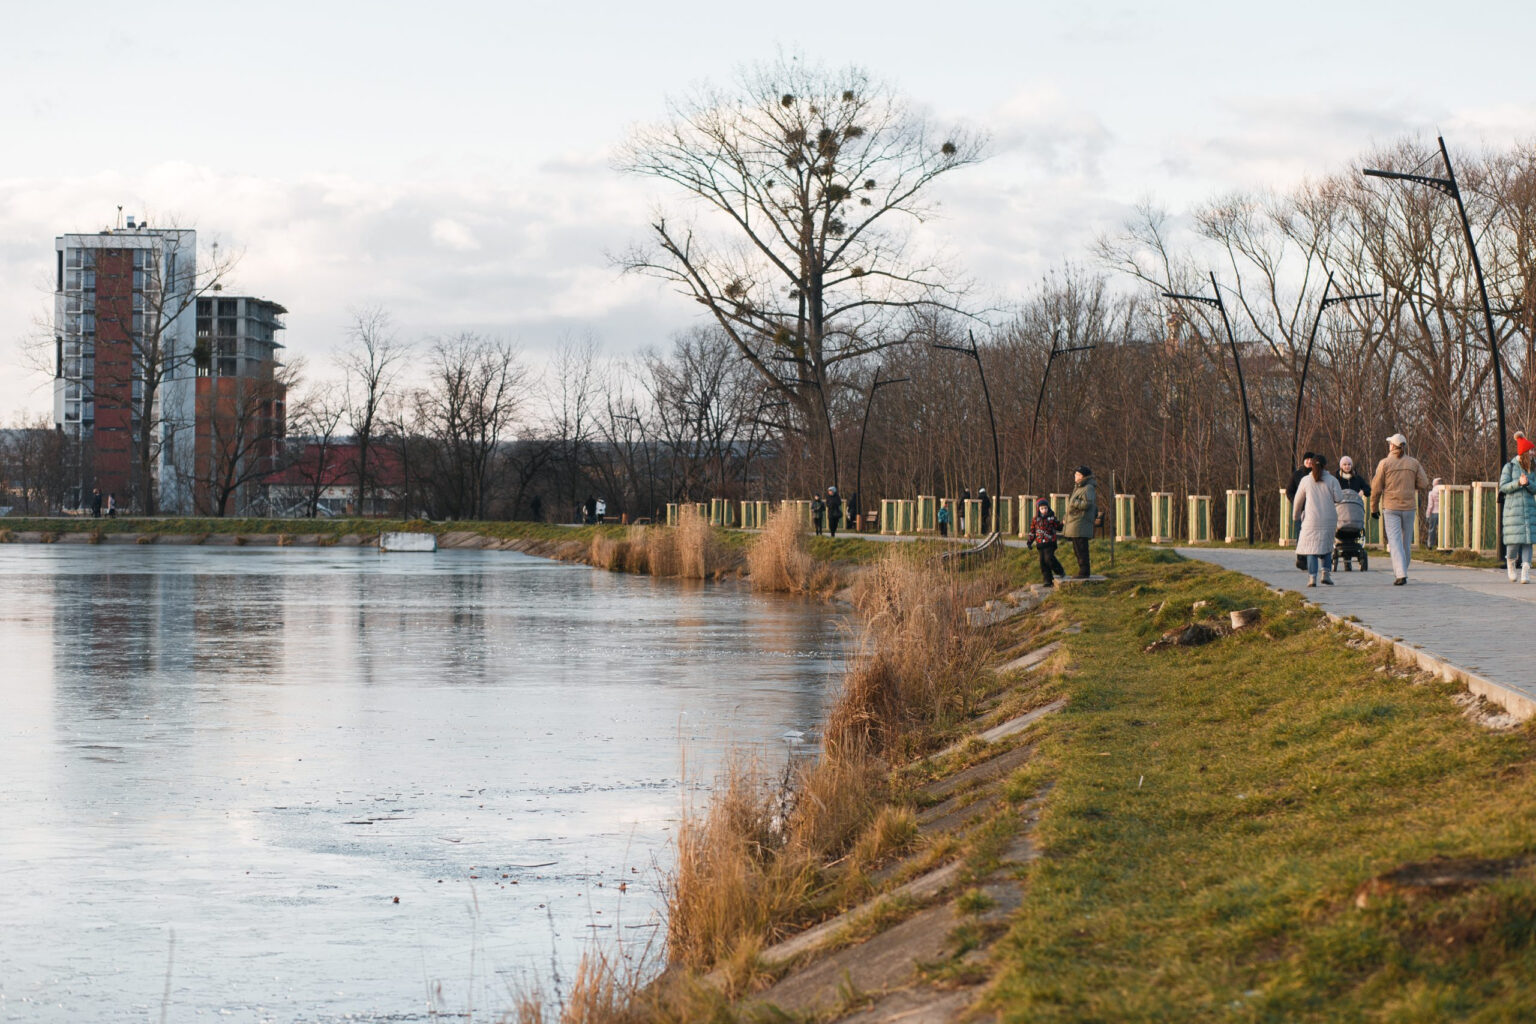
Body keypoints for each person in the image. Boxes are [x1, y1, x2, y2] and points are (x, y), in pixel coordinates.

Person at [1369, 432, 1431, 585]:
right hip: (1409, 507)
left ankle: (1400, 573)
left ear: (1392, 446)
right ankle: (1402, 571)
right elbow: (1424, 483)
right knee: (1405, 542)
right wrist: (1410, 485)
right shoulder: (1413, 463)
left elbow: (1376, 487)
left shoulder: (1384, 463)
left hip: (1391, 507)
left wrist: (1373, 507)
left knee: (1395, 542)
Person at [1292, 453, 1345, 587]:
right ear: (1325, 465)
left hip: (1311, 519)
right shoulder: (1332, 480)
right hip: (1328, 519)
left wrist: (1296, 516)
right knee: (1326, 547)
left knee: (1311, 549)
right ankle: (1325, 575)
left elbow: (1298, 501)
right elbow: (1339, 498)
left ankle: (1312, 578)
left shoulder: (1305, 480)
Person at [1500, 432, 1536, 583]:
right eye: (1531, 451)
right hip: (1513, 512)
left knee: (1528, 541)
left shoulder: (1533, 468)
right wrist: (1518, 483)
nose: (1534, 453)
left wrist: (1528, 483)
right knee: (1514, 542)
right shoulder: (1509, 467)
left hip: (1528, 510)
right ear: (1525, 453)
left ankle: (1525, 573)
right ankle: (1511, 564)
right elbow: (1503, 487)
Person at [1063, 466, 1098, 579]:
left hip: (1081, 522)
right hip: (1075, 522)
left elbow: (1087, 504)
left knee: (1081, 548)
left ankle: (1084, 572)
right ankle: (1082, 570)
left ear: (1083, 476)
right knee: (1077, 548)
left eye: (1077, 474)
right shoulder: (1079, 487)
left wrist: (1074, 502)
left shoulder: (1088, 488)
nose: (1075, 476)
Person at [1027, 498, 1067, 587]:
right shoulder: (1035, 520)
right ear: (1038, 509)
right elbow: (1032, 531)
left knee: (1049, 558)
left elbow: (1058, 527)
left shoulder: (1051, 518)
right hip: (1040, 544)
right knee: (1043, 562)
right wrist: (1029, 541)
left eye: (1045, 508)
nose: (1044, 510)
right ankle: (1048, 580)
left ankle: (1060, 570)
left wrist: (1062, 523)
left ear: (1048, 508)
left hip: (1050, 542)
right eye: (1042, 508)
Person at [1424, 479, 1441, 548]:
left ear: (1434, 484)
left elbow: (1430, 505)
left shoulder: (1431, 493)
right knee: (1442, 529)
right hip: (1443, 513)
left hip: (1434, 513)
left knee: (1432, 529)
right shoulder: (1444, 491)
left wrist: (1427, 514)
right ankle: (1442, 544)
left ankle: (1430, 545)